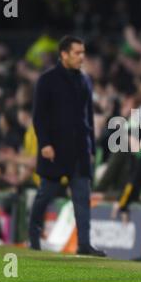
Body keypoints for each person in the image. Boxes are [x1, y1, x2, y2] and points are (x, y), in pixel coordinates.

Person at [30, 35, 105, 257]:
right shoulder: (47, 80)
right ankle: (33, 236)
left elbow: (87, 116)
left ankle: (84, 244)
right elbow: (39, 116)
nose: (82, 57)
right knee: (46, 193)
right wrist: (44, 143)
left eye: (83, 53)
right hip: (54, 149)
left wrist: (90, 148)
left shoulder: (84, 80)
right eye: (77, 53)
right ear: (64, 54)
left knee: (82, 197)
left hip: (80, 150)